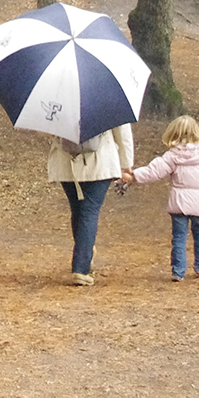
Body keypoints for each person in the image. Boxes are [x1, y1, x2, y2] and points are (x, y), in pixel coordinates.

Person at [120, 114, 199, 280]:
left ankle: (178, 271)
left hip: (179, 201)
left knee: (178, 236)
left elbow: (154, 170)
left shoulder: (172, 156)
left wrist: (134, 175)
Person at [49, 122, 133, 286]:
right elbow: (122, 132)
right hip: (100, 162)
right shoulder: (109, 97)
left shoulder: (58, 97)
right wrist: (126, 164)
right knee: (89, 211)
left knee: (78, 210)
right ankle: (81, 267)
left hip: (66, 161)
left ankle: (85, 251)